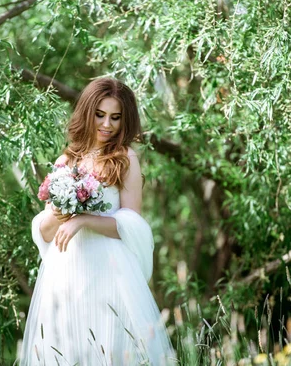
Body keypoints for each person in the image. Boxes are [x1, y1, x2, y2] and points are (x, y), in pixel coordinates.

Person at [20, 78, 175, 365]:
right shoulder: (66, 160)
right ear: (87, 113)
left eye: (115, 118)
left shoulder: (125, 159)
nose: (107, 125)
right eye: (100, 115)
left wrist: (85, 221)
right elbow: (44, 230)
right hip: (67, 272)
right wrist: (61, 211)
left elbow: (132, 224)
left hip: (110, 271)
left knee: (112, 350)